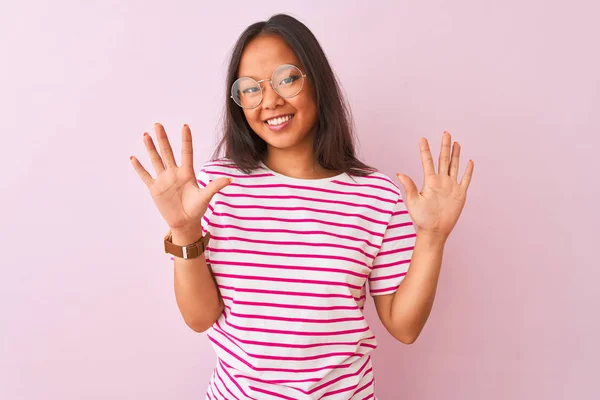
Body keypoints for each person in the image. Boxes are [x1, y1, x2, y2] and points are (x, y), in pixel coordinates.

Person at [130, 13, 474, 400]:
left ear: (316, 81)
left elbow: (404, 326)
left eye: (287, 79)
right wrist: (184, 229)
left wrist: (432, 237)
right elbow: (199, 318)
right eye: (250, 89)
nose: (271, 100)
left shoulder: (377, 196)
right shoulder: (214, 188)